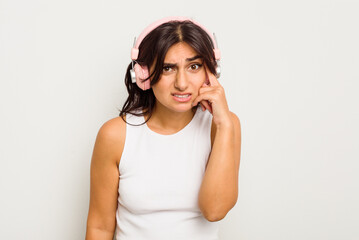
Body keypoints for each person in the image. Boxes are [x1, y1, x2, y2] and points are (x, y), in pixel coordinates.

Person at [85, 16, 241, 240]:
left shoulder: (224, 126)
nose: (182, 83)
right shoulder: (115, 135)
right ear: (144, 75)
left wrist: (225, 124)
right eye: (168, 68)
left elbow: (215, 210)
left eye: (194, 66)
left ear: (212, 72)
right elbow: (99, 227)